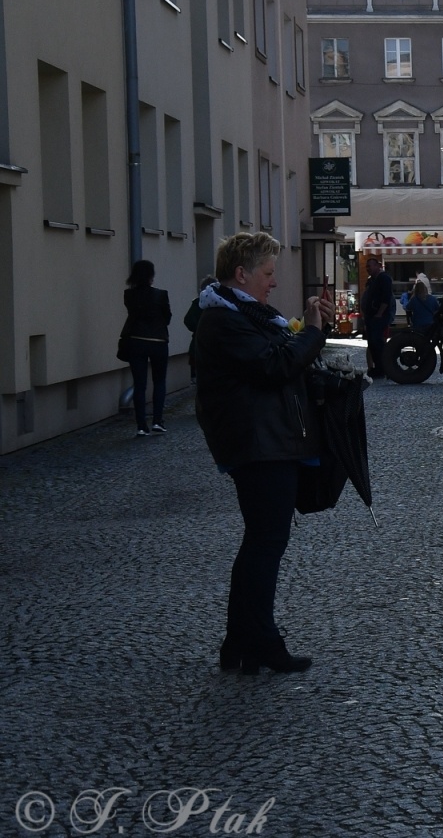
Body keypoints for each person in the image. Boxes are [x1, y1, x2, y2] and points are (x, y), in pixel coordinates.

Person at [195, 231, 330, 675]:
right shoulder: (223, 320)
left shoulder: (242, 313)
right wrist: (312, 331)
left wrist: (305, 328)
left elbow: (277, 353)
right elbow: (275, 365)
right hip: (258, 444)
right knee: (265, 543)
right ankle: (262, 642)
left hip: (265, 440)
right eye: (268, 273)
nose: (273, 282)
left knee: (261, 542)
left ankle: (240, 643)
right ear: (241, 274)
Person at [121, 259, 171, 436]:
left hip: (136, 341)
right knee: (159, 382)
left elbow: (132, 314)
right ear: (151, 275)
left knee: (139, 384)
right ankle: (158, 420)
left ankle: (141, 425)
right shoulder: (161, 295)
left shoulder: (129, 295)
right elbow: (167, 318)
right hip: (158, 341)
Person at [361, 255, 394, 378]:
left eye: (370, 266)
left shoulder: (383, 278)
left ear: (377, 266)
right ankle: (378, 368)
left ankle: (383, 368)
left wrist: (379, 313)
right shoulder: (372, 280)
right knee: (372, 343)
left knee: (377, 342)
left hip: (379, 317)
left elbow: (386, 298)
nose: (367, 268)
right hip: (371, 316)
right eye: (366, 266)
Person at [183, 275, 219, 382]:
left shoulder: (198, 303)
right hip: (212, 345)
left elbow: (188, 320)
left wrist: (198, 328)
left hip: (199, 344)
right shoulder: (219, 303)